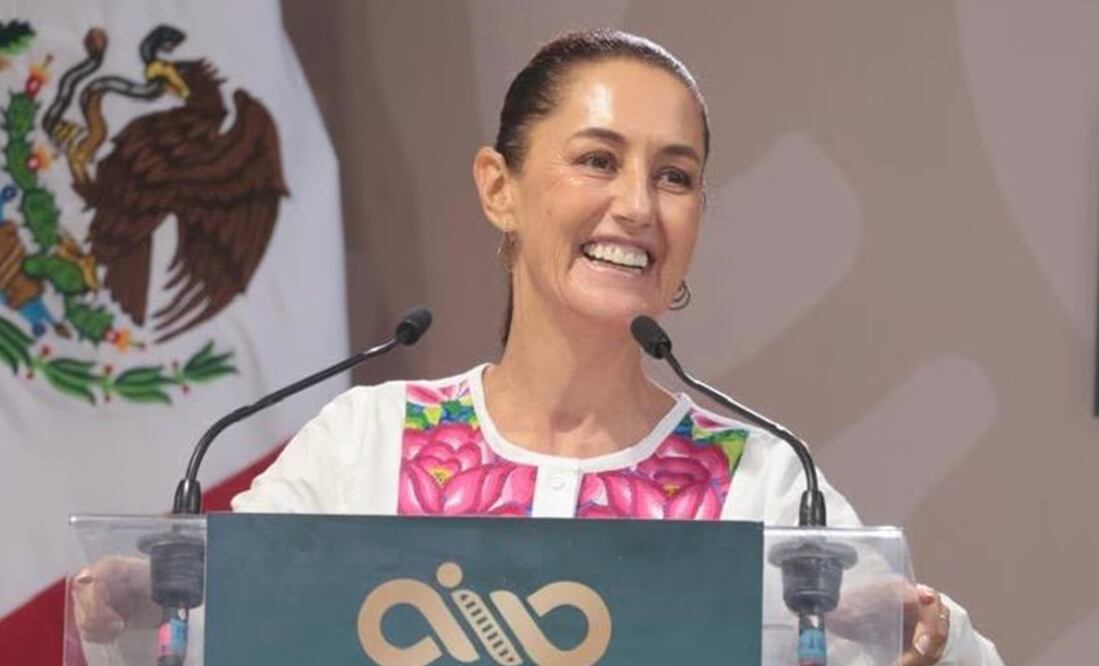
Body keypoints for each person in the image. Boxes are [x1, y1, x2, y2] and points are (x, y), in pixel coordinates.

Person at [78, 29, 1003, 665]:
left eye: (673, 176)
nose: (637, 206)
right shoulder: (369, 440)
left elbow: (938, 644)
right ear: (499, 187)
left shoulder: (758, 478)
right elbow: (220, 608)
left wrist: (923, 632)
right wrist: (139, 596)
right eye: (597, 160)